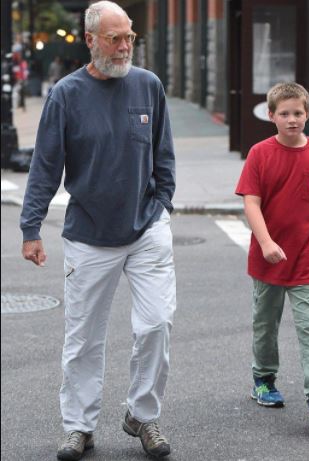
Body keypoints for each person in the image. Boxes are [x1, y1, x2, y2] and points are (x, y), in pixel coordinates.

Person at [20, 1, 176, 459]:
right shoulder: (66, 95)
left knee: (156, 324)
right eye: (115, 38)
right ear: (91, 40)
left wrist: (162, 204)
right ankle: (79, 426)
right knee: (84, 337)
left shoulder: (149, 85)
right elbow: (45, 165)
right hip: (88, 233)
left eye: (129, 37)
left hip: (147, 226)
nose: (125, 45)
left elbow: (163, 155)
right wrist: (31, 227)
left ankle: (142, 415)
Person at [235, 82, 309, 428]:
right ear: (272, 116)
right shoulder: (260, 153)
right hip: (267, 259)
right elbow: (251, 202)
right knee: (266, 324)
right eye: (285, 113)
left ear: (307, 114)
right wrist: (266, 242)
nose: (292, 119)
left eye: (298, 113)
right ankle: (264, 379)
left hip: (308, 258)